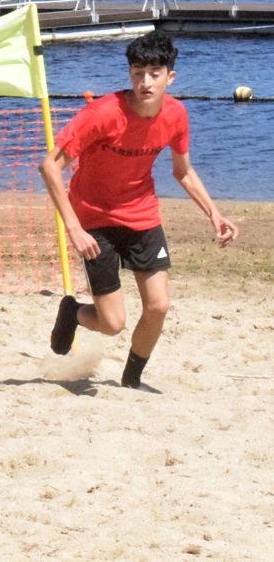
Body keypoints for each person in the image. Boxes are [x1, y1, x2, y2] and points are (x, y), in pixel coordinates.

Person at [39, 32, 238, 390]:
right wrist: (75, 229)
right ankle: (73, 312)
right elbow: (50, 166)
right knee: (112, 323)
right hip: (94, 219)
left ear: (170, 77)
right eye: (137, 72)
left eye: (154, 73)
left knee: (159, 306)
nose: (145, 81)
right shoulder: (102, 114)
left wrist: (214, 213)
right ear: (129, 75)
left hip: (142, 214)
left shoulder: (176, 115)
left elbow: (183, 171)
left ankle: (132, 379)